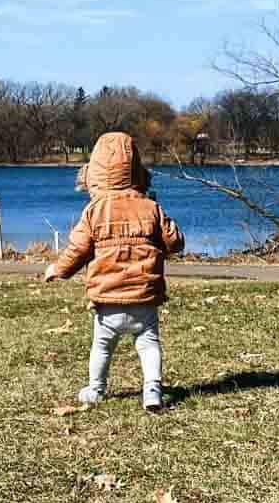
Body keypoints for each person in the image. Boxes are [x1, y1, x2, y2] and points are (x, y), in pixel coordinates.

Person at [44, 131, 184, 413]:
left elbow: (77, 250)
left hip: (107, 299)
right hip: (144, 296)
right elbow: (175, 242)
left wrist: (58, 270)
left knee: (102, 347)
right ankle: (153, 390)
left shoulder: (94, 211)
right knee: (148, 344)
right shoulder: (151, 207)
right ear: (137, 171)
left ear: (94, 173)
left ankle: (96, 388)